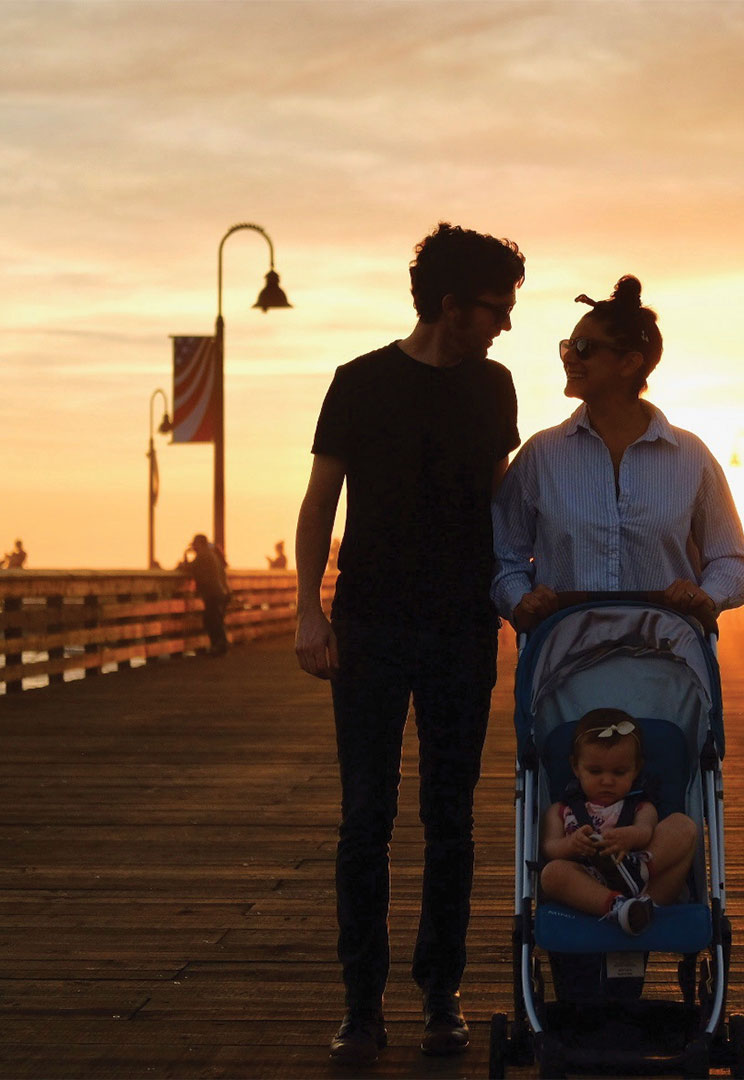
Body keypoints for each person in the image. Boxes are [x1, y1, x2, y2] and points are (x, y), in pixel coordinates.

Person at [293, 223, 525, 1067]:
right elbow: (320, 503)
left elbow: (503, 502)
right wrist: (307, 611)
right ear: (452, 305)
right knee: (366, 819)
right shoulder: (359, 383)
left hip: (464, 625)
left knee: (451, 820)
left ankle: (441, 995)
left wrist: (524, 593)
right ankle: (361, 1006)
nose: (505, 324)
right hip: (371, 624)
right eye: (495, 309)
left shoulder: (494, 386)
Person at [492, 275, 744, 631]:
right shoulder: (540, 455)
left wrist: (705, 597)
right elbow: (504, 556)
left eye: (584, 347)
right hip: (563, 662)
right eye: (567, 345)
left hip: (667, 660)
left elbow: (731, 559)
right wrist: (521, 600)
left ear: (630, 363)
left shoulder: (692, 457)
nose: (569, 357)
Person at [540, 709, 697, 936]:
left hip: (646, 884)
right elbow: (549, 848)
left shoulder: (639, 805)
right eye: (595, 771)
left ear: (635, 769)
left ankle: (637, 871)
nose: (607, 780)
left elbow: (645, 830)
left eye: (619, 772)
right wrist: (571, 844)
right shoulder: (561, 810)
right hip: (589, 882)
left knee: (684, 826)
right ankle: (620, 908)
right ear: (575, 767)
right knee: (552, 874)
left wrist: (630, 836)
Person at [180, 533, 229, 656]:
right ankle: (220, 645)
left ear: (200, 544)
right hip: (219, 592)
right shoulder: (211, 554)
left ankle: (218, 645)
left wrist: (185, 557)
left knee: (211, 620)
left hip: (212, 592)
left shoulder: (203, 555)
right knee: (215, 619)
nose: (194, 547)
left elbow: (189, 567)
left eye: (195, 544)